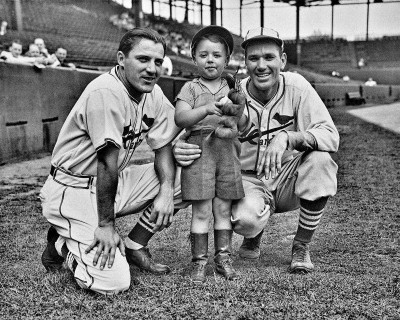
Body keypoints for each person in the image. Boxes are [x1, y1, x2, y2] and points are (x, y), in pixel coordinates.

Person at [173, 27, 339, 274]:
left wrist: (288, 137)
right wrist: (178, 145)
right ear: (245, 62)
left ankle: (301, 246)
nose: (262, 65)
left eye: (269, 57)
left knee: (321, 160)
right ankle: (253, 234)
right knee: (246, 219)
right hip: (246, 180)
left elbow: (330, 136)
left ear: (282, 60)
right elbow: (192, 130)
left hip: (286, 179)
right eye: (253, 58)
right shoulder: (231, 92)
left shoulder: (297, 86)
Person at [40, 28, 187, 295]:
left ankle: (134, 245)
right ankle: (62, 245)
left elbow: (163, 141)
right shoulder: (106, 91)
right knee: (114, 283)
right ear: (121, 58)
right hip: (73, 189)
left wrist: (166, 189)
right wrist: (106, 226)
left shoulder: (151, 92)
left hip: (109, 186)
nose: (152, 68)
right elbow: (106, 163)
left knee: (188, 176)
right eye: (143, 59)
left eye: (157, 61)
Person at [174, 26, 247, 283]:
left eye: (217, 55)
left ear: (227, 60)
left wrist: (236, 109)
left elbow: (245, 124)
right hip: (201, 150)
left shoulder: (233, 87)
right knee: (202, 210)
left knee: (223, 208)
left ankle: (223, 258)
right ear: (194, 58)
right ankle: (199, 262)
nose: (210, 60)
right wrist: (205, 108)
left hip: (227, 151)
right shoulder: (191, 89)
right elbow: (181, 117)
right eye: (203, 55)